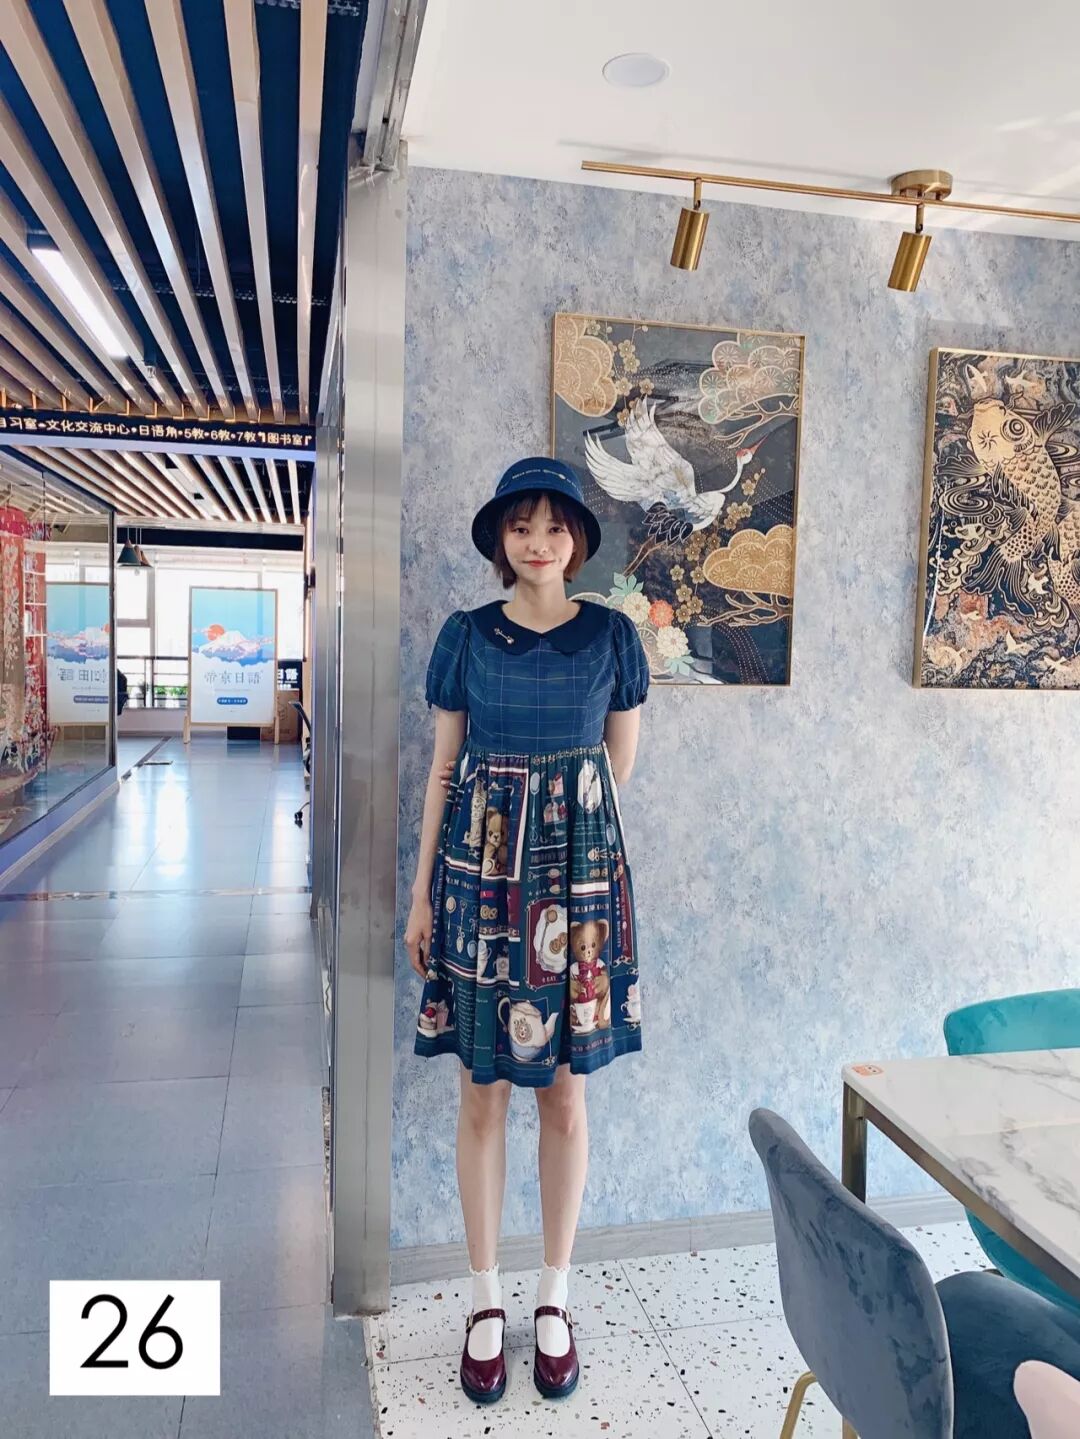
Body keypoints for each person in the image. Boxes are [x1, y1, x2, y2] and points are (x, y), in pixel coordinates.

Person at [404, 457, 649, 1405]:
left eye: (553, 526)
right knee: (482, 1093)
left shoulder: (613, 636)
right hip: (476, 886)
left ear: (577, 540)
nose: (538, 541)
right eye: (521, 526)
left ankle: (553, 1295)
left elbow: (613, 774)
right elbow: (443, 770)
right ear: (501, 540)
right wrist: (422, 893)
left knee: (564, 1096)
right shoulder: (465, 636)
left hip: (576, 891)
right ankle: (483, 1298)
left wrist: (559, 837)